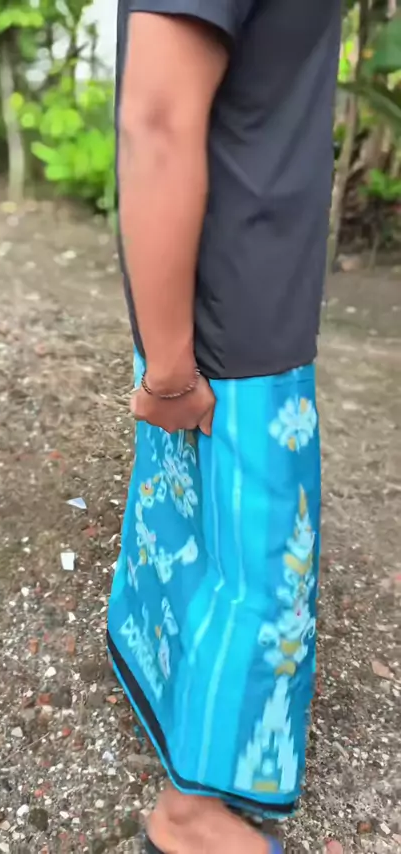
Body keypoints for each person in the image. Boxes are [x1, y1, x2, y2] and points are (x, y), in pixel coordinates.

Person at [108, 2, 341, 852]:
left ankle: (165, 685)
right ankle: (193, 817)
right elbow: (157, 116)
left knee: (192, 525)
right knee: (265, 568)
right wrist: (170, 370)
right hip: (237, 318)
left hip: (229, 293)